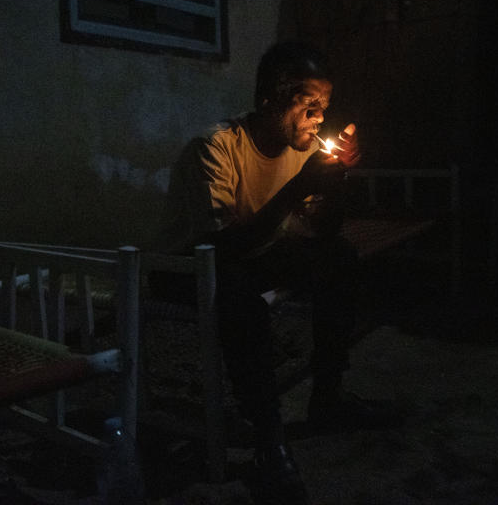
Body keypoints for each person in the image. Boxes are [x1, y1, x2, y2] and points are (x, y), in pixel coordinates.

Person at [155, 40, 393, 502]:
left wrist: (336, 182)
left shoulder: (300, 152)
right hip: (182, 265)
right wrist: (299, 187)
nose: (319, 118)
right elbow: (221, 247)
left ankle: (327, 396)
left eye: (323, 106)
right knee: (238, 290)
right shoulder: (215, 148)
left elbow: (323, 232)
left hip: (247, 256)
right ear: (269, 99)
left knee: (338, 257)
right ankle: (268, 438)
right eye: (308, 104)